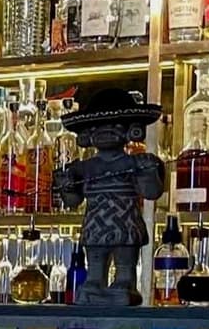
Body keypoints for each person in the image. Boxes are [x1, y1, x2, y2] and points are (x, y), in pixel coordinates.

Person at [52, 87, 165, 305]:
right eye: (98, 127)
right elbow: (73, 202)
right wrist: (66, 185)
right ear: (88, 134)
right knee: (95, 259)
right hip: (96, 222)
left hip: (125, 219)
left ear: (131, 131)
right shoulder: (84, 167)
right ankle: (94, 283)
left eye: (115, 126)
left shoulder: (135, 162)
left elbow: (151, 192)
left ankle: (125, 283)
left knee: (125, 261)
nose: (106, 132)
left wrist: (149, 171)